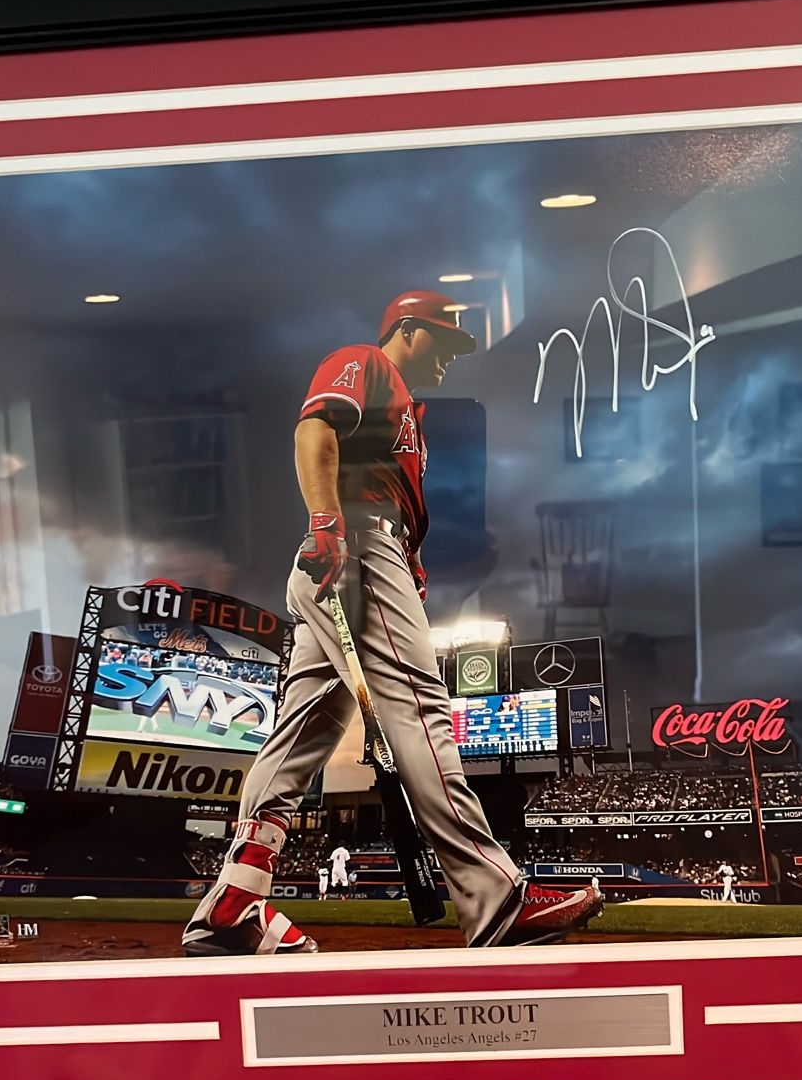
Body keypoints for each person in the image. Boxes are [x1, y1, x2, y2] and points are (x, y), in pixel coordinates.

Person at [182, 289, 604, 956]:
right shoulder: (366, 362)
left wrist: (409, 561)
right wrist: (330, 525)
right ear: (408, 330)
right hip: (354, 547)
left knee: (302, 734)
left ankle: (235, 902)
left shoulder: (411, 411)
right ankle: (497, 899)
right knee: (422, 712)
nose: (451, 355)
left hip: (359, 558)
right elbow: (314, 430)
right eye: (445, 339)